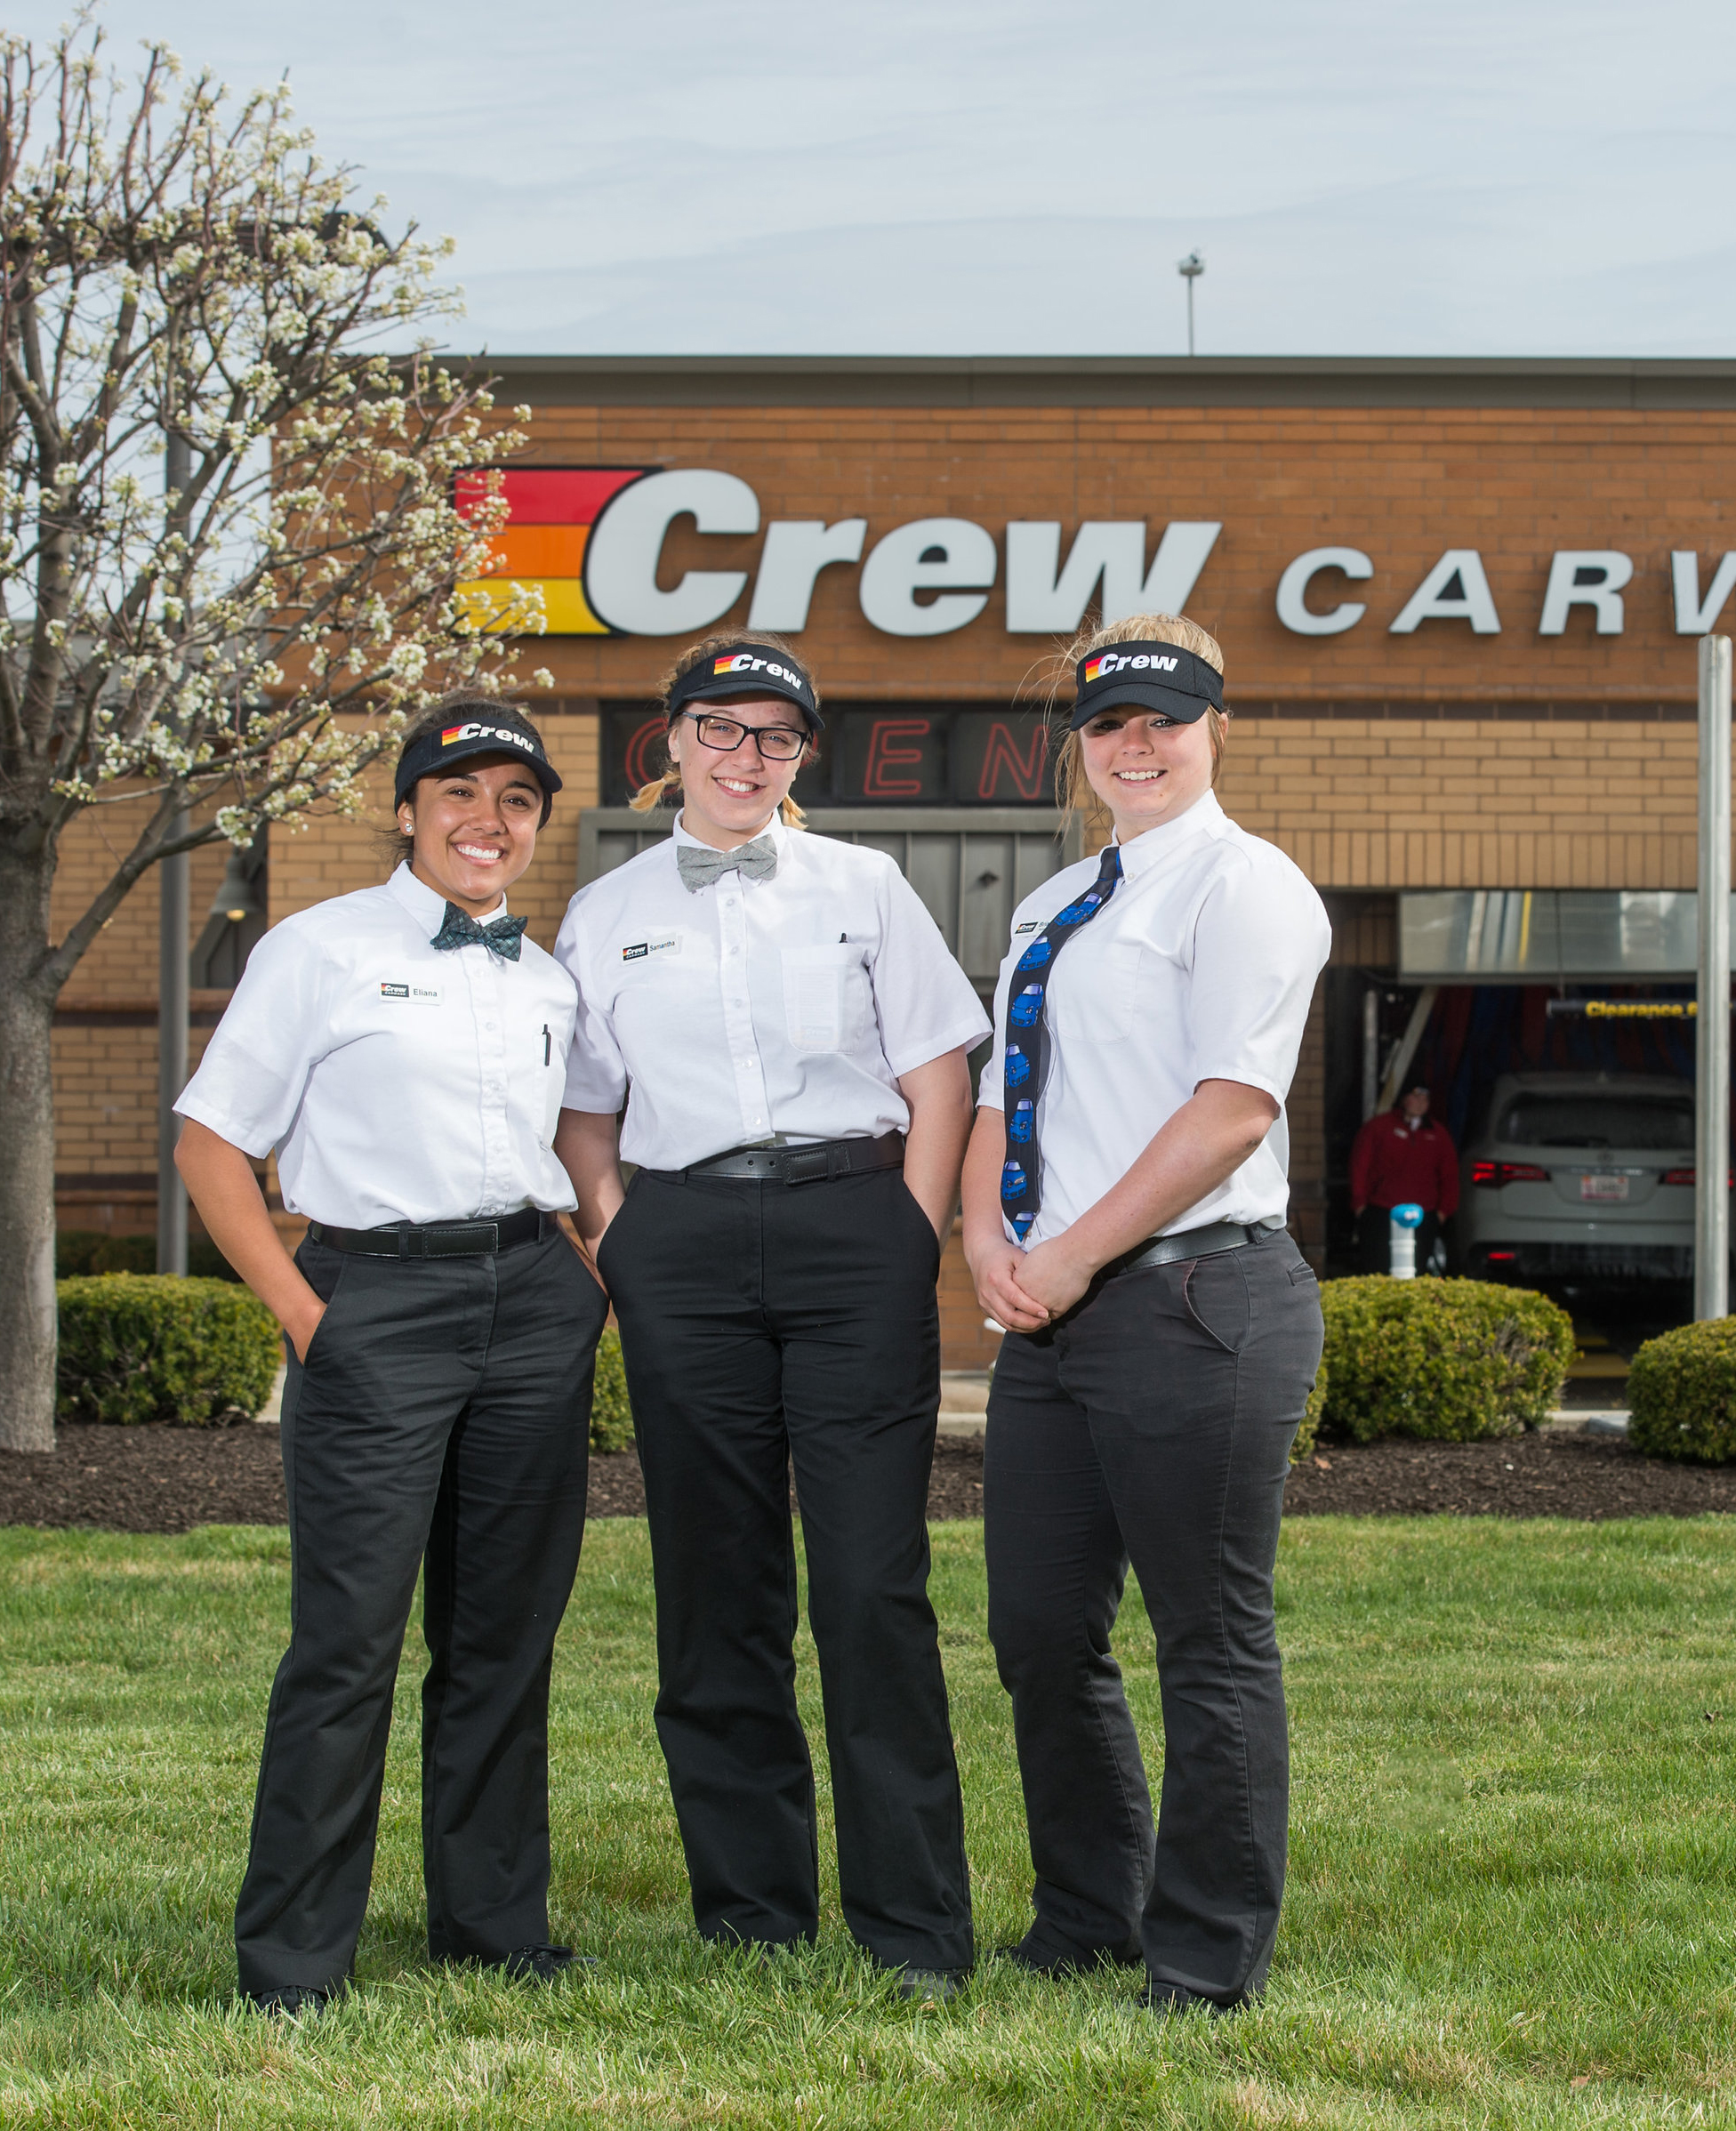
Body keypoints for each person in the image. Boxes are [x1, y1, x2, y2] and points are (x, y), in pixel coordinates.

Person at [551, 631, 986, 1995]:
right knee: (715, 1583)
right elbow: (586, 1116)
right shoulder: (604, 910)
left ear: (802, 755)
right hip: (677, 1242)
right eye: (722, 730)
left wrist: (910, 1230)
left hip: (851, 1223)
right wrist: (627, 1245)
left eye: (777, 737)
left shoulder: (864, 887)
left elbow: (936, 1074)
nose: (748, 757)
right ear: (670, 742)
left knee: (869, 1583)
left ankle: (911, 1928)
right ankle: (751, 1912)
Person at [173, 696, 606, 2014]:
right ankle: (295, 1959)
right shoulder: (316, 949)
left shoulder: (547, 979)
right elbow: (210, 1146)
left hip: (530, 1303)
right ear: (408, 808)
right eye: (461, 794)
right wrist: (308, 1318)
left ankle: (492, 1924)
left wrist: (581, 1279)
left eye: (516, 802)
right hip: (376, 1302)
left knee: (502, 1639)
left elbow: (571, 1150)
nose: (489, 822)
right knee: (347, 1641)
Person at [963, 613, 1331, 2014]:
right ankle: (1086, 1915)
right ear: (1082, 742)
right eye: (1111, 724)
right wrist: (991, 1240)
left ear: (1212, 728)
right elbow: (1012, 1092)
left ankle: (1202, 1955)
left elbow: (1229, 1112)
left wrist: (1067, 1259)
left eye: (1164, 721)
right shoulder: (1050, 906)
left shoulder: (1243, 889)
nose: (1136, 746)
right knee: (1041, 1632)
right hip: (1053, 1313)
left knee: (1206, 1633)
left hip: (1195, 1296)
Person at [1347, 1083, 1459, 1274]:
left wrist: (1443, 1211)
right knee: (1377, 1269)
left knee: (1417, 1270)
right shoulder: (1379, 1127)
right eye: (1416, 1097)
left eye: (1426, 1098)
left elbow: (1450, 1175)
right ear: (1404, 1099)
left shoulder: (1438, 1134)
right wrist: (1360, 1204)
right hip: (1381, 1210)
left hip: (1424, 1213)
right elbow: (1360, 1166)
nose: (1421, 1103)